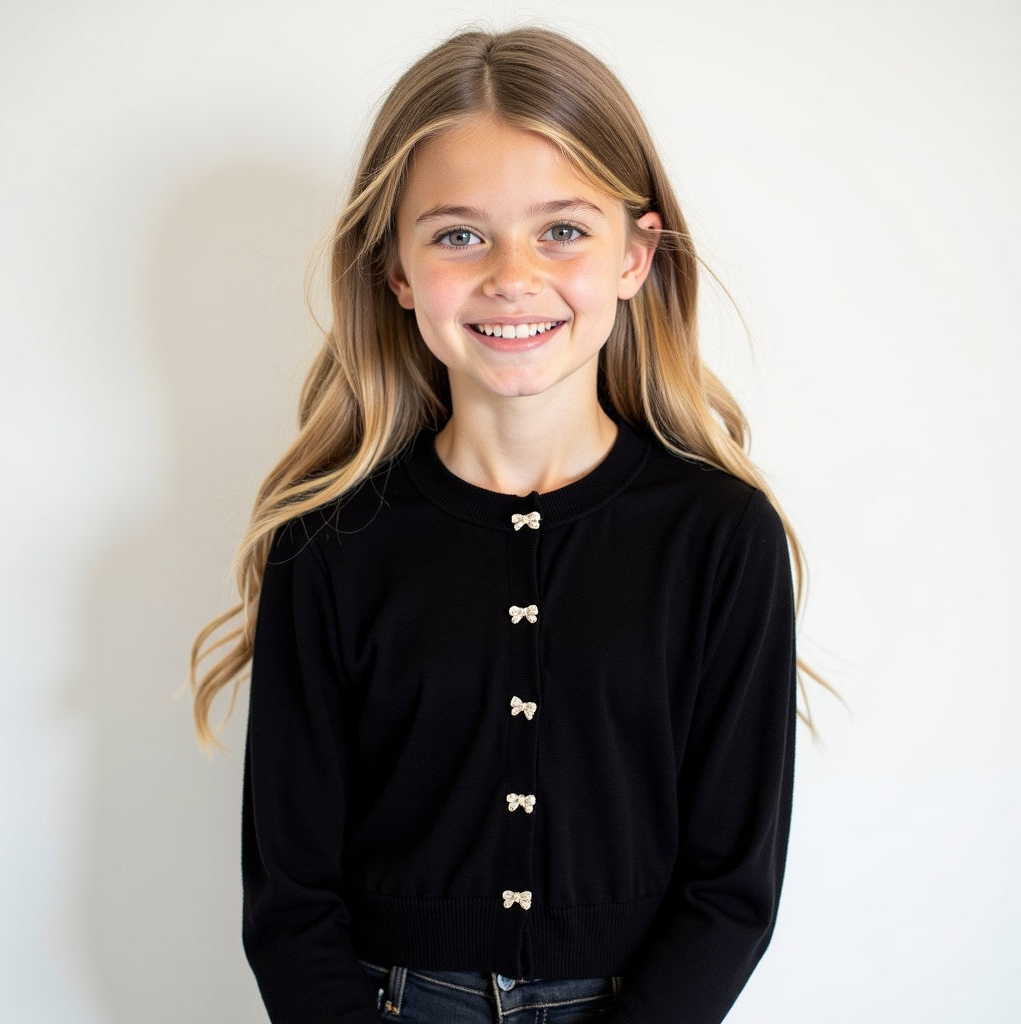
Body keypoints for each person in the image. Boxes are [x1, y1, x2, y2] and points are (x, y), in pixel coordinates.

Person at [191, 26, 815, 1024]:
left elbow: (729, 894)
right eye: (457, 234)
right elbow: (288, 901)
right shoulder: (325, 544)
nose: (511, 275)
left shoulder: (720, 538)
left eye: (562, 229)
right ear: (396, 271)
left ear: (635, 254)